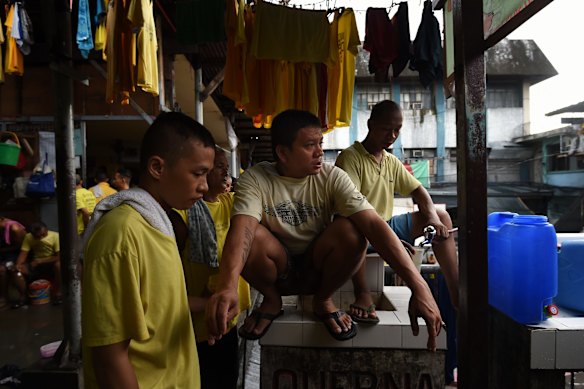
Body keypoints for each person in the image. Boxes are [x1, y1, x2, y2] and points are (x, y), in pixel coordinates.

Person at [206, 109, 442, 349]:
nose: (320, 152)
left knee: (352, 230)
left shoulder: (332, 177)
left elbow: (373, 223)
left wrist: (419, 287)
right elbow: (243, 230)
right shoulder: (256, 178)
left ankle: (323, 300)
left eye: (320, 143)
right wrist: (227, 288)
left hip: (317, 271)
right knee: (252, 236)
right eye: (310, 145)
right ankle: (272, 300)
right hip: (278, 272)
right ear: (283, 153)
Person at [81, 112, 215, 389]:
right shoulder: (121, 234)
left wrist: (211, 305)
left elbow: (158, 307)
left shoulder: (160, 225)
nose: (204, 186)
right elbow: (109, 358)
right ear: (157, 168)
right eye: (198, 173)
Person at [335, 100, 459, 324]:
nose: (392, 135)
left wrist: (432, 219)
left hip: (388, 225)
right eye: (386, 129)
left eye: (397, 130)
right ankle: (363, 294)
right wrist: (388, 238)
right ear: (370, 125)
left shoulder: (391, 161)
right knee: (352, 229)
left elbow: (419, 192)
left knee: (442, 217)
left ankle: (455, 290)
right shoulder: (350, 158)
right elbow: (353, 210)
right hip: (363, 229)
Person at [170, 148, 250, 389]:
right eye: (218, 165)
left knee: (227, 379)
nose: (225, 170)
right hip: (197, 320)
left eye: (226, 165)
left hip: (229, 316)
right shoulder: (180, 216)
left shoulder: (232, 203)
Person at [13, 221, 61, 307]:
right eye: (37, 236)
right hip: (35, 264)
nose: (41, 238)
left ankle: (58, 294)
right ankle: (23, 297)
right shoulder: (29, 237)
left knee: (59, 265)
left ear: (46, 230)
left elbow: (59, 257)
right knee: (17, 271)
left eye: (43, 234)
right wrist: (18, 264)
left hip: (51, 262)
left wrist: (40, 261)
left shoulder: (55, 236)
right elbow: (23, 253)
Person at [0, 216, 26, 310]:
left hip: (13, 255)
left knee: (3, 269)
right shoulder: (2, 228)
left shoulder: (14, 228)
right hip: (4, 254)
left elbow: (21, 247)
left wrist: (3, 250)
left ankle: (4, 298)